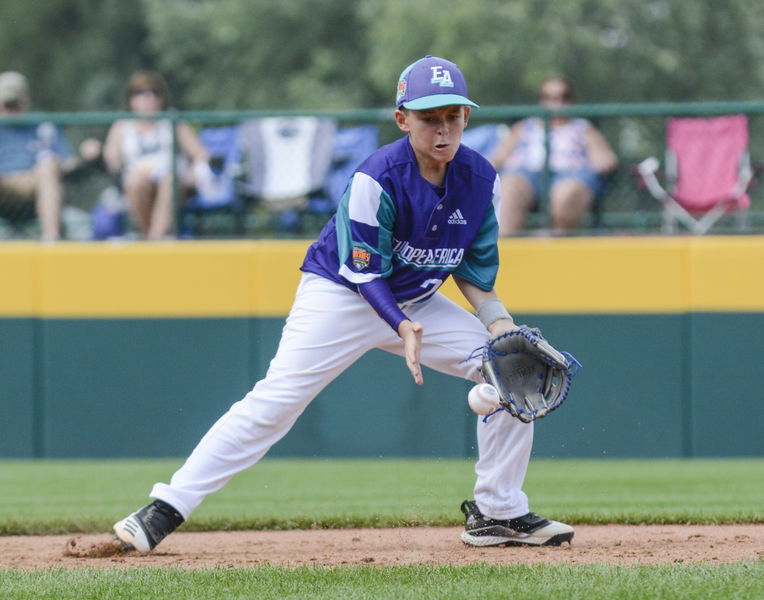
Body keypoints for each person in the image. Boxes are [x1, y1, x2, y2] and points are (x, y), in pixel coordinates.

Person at [112, 55, 574, 553]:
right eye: (428, 117)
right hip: (342, 295)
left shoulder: (482, 180)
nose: (443, 129)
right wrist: (400, 325)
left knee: (512, 372)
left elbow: (473, 271)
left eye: (453, 116)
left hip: (418, 300)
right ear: (403, 120)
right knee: (277, 402)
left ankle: (497, 513)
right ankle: (163, 510)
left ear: (467, 117)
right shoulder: (376, 177)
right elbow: (366, 273)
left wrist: (499, 325)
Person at [490, 76, 619, 234]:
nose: (557, 102)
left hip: (569, 175)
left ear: (572, 100)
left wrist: (601, 161)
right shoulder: (523, 127)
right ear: (541, 100)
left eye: (564, 97)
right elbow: (497, 158)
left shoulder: (583, 128)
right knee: (508, 187)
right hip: (526, 175)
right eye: (549, 97)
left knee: (567, 193)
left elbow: (606, 158)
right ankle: (504, 249)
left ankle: (554, 244)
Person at [101, 71, 211, 240]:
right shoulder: (122, 126)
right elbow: (111, 157)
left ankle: (152, 241)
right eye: (140, 93)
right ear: (130, 99)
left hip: (173, 181)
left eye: (154, 92)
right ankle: (155, 239)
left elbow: (200, 153)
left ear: (162, 98)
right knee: (135, 182)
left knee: (169, 180)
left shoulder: (174, 122)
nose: (148, 98)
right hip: (137, 181)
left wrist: (195, 170)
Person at [0, 71, 87, 241]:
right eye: (6, 104)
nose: (11, 110)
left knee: (47, 166)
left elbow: (69, 160)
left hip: (37, 181)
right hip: (4, 184)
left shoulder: (43, 124)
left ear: (26, 99)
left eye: (15, 103)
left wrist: (60, 163)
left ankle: (51, 241)